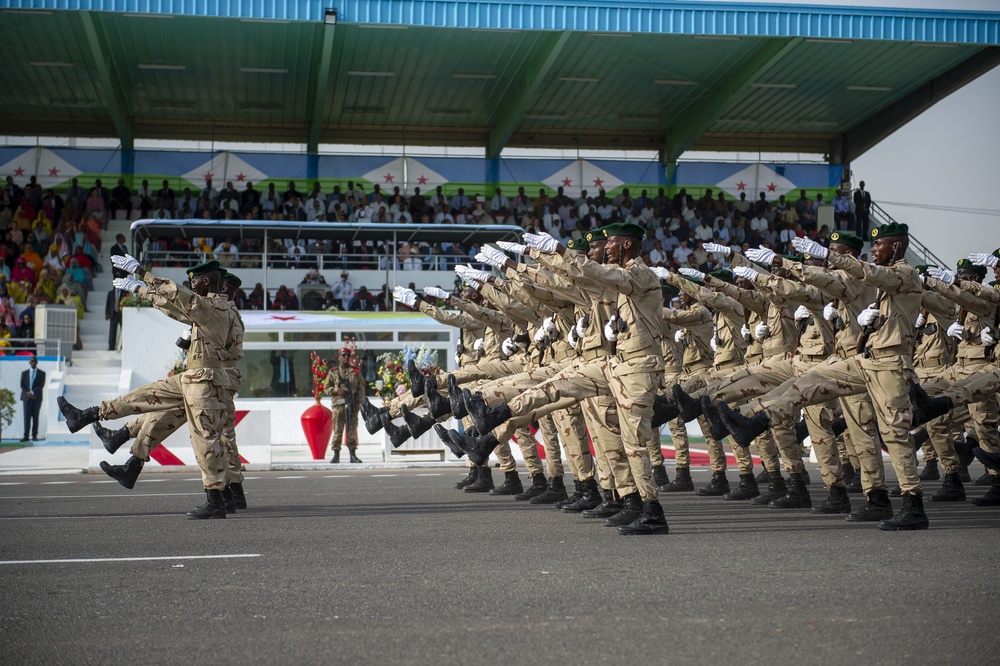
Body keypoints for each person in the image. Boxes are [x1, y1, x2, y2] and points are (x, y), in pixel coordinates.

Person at [325, 348, 366, 463]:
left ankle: (353, 455)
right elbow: (326, 388)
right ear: (339, 357)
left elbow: (361, 389)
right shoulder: (333, 372)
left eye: (348, 355)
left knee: (351, 430)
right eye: (344, 355)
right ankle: (336, 455)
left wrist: (359, 403)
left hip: (352, 405)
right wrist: (337, 391)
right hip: (338, 407)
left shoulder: (356, 372)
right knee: (337, 430)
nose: (346, 357)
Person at [20, 355, 45, 441]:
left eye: (34, 361)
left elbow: (41, 385)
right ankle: (26, 435)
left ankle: (34, 435)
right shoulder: (24, 373)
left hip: (36, 398)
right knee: (26, 417)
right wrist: (28, 392)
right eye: (31, 361)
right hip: (26, 398)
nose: (33, 363)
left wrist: (33, 392)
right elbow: (22, 385)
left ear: (37, 362)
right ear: (29, 362)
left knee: (35, 417)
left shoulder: (42, 373)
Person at [106, 269, 126, 351]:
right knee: (112, 330)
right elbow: (107, 304)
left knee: (123, 330)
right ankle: (111, 346)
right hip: (113, 313)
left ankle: (123, 346)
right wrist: (106, 313)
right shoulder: (110, 293)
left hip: (121, 314)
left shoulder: (124, 293)